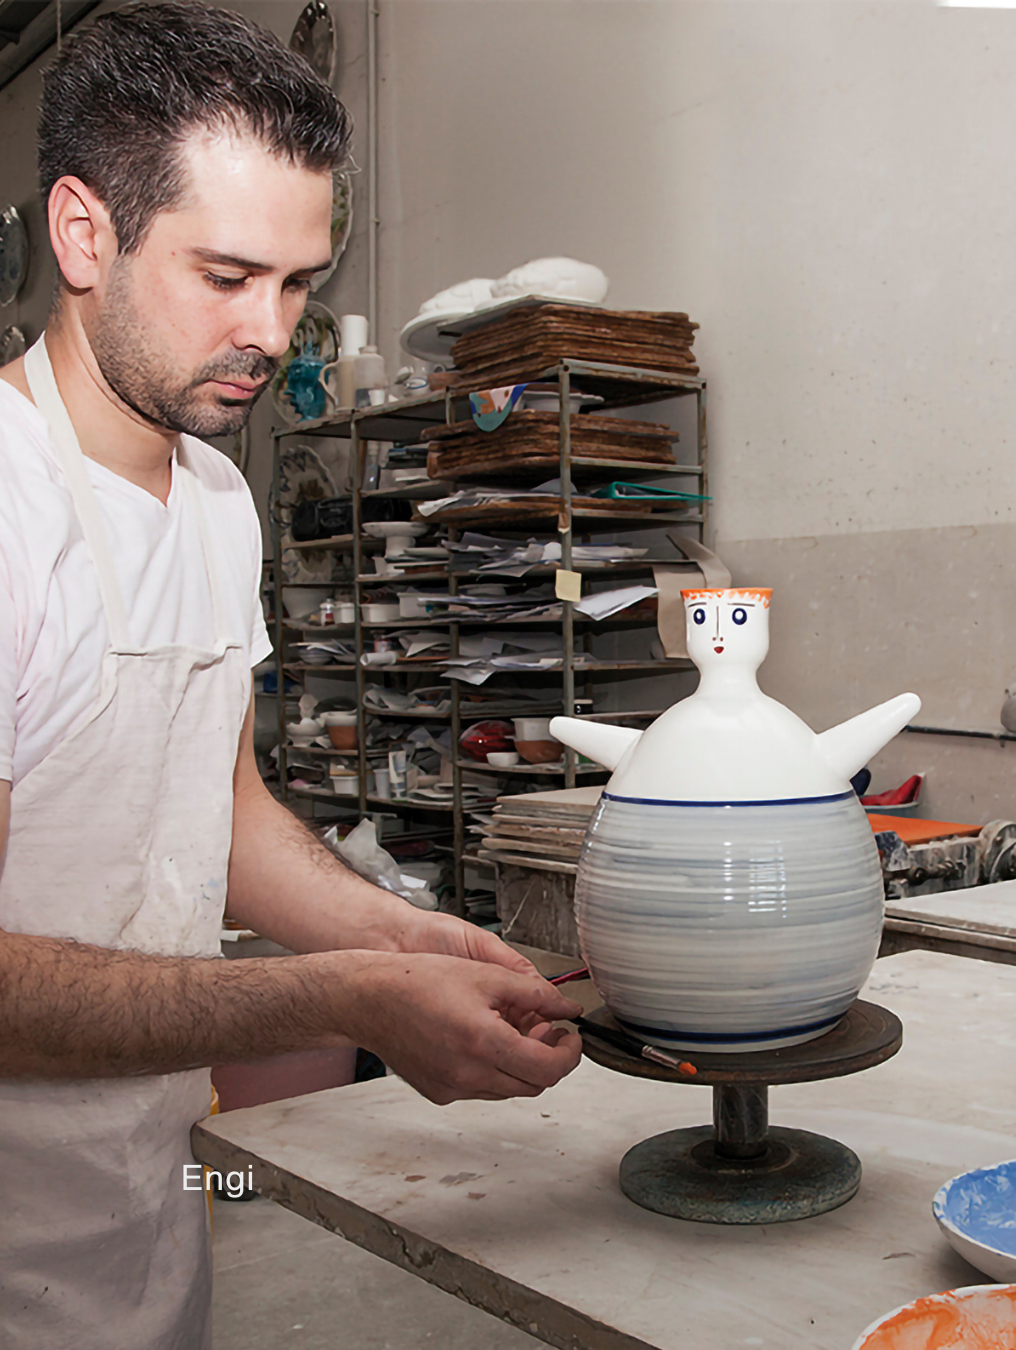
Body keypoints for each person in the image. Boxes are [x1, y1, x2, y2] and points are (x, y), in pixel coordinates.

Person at [0, 5, 582, 1346]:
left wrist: (402, 937)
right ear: (83, 234)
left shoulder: (216, 498)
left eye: (298, 281)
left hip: (148, 1196)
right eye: (224, 276)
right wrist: (344, 996)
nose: (269, 332)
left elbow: (224, 810)